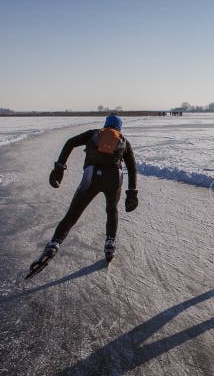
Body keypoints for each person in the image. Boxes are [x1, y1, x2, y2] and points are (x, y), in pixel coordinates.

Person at [26, 115, 139, 278]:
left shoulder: (93, 134)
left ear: (105, 125)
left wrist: (59, 168)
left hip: (91, 176)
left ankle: (53, 245)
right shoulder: (124, 142)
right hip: (114, 178)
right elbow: (132, 168)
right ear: (119, 128)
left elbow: (70, 143)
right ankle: (110, 244)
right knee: (111, 209)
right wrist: (132, 192)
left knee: (73, 214)